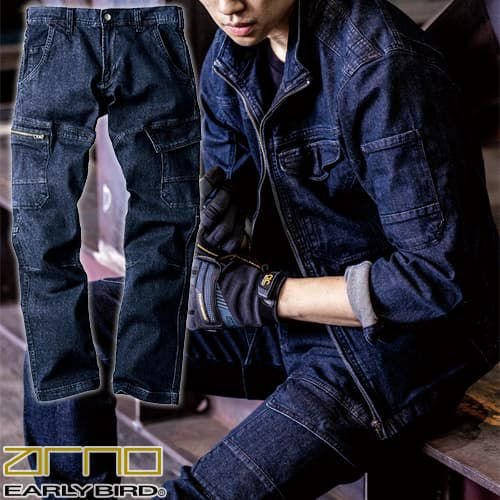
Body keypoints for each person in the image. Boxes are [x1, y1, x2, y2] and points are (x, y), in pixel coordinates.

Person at [23, 0, 499, 498]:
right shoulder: (235, 53)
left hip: (394, 351)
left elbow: (438, 281)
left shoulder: (381, 68)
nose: (228, 7)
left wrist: (264, 293)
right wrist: (209, 223)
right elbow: (233, 193)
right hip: (288, 326)